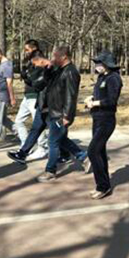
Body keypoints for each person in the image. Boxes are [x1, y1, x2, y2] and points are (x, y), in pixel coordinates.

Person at [37, 45, 87, 182]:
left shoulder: (71, 72)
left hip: (61, 114)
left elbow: (71, 96)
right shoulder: (59, 70)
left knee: (52, 142)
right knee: (61, 139)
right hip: (53, 111)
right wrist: (48, 68)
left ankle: (50, 171)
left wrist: (67, 116)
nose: (53, 59)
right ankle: (83, 156)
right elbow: (47, 82)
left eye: (56, 56)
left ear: (64, 57)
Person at [84, 51, 123, 200]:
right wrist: (91, 98)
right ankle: (104, 185)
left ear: (106, 64)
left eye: (99, 63)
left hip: (106, 120)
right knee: (100, 153)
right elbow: (100, 94)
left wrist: (95, 103)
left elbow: (112, 100)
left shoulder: (114, 78)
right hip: (97, 118)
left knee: (92, 151)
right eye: (96, 63)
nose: (96, 65)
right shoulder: (101, 77)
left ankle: (103, 186)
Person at [7, 51, 54, 164]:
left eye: (35, 63)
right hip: (41, 103)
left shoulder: (53, 69)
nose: (35, 66)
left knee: (55, 132)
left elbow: (41, 85)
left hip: (49, 105)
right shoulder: (45, 68)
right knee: (36, 128)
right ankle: (22, 153)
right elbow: (37, 84)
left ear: (40, 60)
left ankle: (79, 154)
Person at [14, 39, 49, 159]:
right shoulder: (29, 61)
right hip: (27, 95)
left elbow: (38, 80)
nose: (26, 51)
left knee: (38, 124)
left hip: (35, 96)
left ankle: (42, 148)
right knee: (18, 121)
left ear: (34, 48)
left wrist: (28, 76)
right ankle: (26, 145)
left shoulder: (40, 60)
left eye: (27, 49)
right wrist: (24, 74)